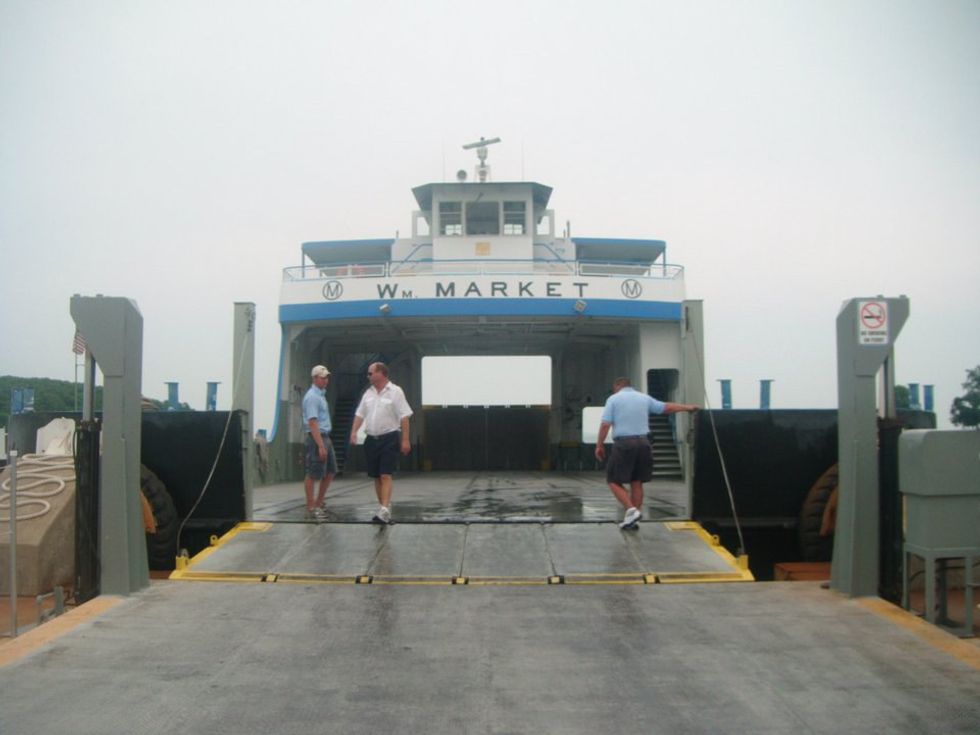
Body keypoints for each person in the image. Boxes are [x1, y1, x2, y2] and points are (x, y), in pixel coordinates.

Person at [594, 377, 699, 529]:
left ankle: (631, 510)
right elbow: (665, 407)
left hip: (625, 443)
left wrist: (599, 445)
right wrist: (688, 407)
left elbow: (605, 424)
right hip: (644, 443)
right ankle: (633, 520)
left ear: (617, 386)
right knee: (636, 481)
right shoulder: (644, 398)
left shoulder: (613, 399)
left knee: (613, 479)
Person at [348, 362, 413, 525]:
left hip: (389, 438)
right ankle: (383, 508)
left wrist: (405, 440)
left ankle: (384, 509)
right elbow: (359, 414)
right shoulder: (368, 393)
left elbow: (404, 417)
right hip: (371, 439)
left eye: (370, 373)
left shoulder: (395, 392)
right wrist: (354, 431)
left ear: (381, 374)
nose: (368, 376)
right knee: (376, 476)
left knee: (385, 474)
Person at [302, 365, 338, 522]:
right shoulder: (312, 397)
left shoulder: (321, 396)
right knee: (313, 473)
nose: (326, 380)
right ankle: (311, 508)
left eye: (327, 377)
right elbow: (312, 422)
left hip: (325, 436)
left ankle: (318, 503)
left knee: (330, 471)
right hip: (317, 437)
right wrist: (320, 445)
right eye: (323, 377)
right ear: (315, 378)